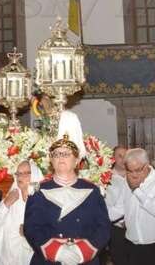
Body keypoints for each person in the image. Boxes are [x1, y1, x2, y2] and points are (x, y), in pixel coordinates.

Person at [23, 112, 110, 265]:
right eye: (56, 154)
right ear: (51, 160)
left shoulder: (93, 191)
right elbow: (31, 228)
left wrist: (82, 251)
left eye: (66, 154)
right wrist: (57, 251)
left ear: (76, 160)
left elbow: (103, 229)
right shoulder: (38, 191)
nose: (61, 158)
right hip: (48, 260)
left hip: (84, 260)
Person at [118, 148, 155, 265]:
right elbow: (119, 208)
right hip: (133, 247)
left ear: (147, 166)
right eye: (129, 170)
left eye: (137, 170)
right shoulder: (126, 180)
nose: (133, 175)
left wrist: (136, 189)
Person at [0, 160, 43, 265]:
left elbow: (52, 230)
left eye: (25, 173)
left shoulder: (43, 200)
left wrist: (29, 232)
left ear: (34, 175)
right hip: (8, 257)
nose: (20, 177)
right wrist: (6, 204)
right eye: (18, 173)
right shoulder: (12, 196)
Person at [104, 145, 129, 265]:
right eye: (120, 156)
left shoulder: (136, 175)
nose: (123, 159)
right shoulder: (106, 178)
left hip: (137, 226)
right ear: (113, 158)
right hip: (116, 228)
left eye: (126, 156)